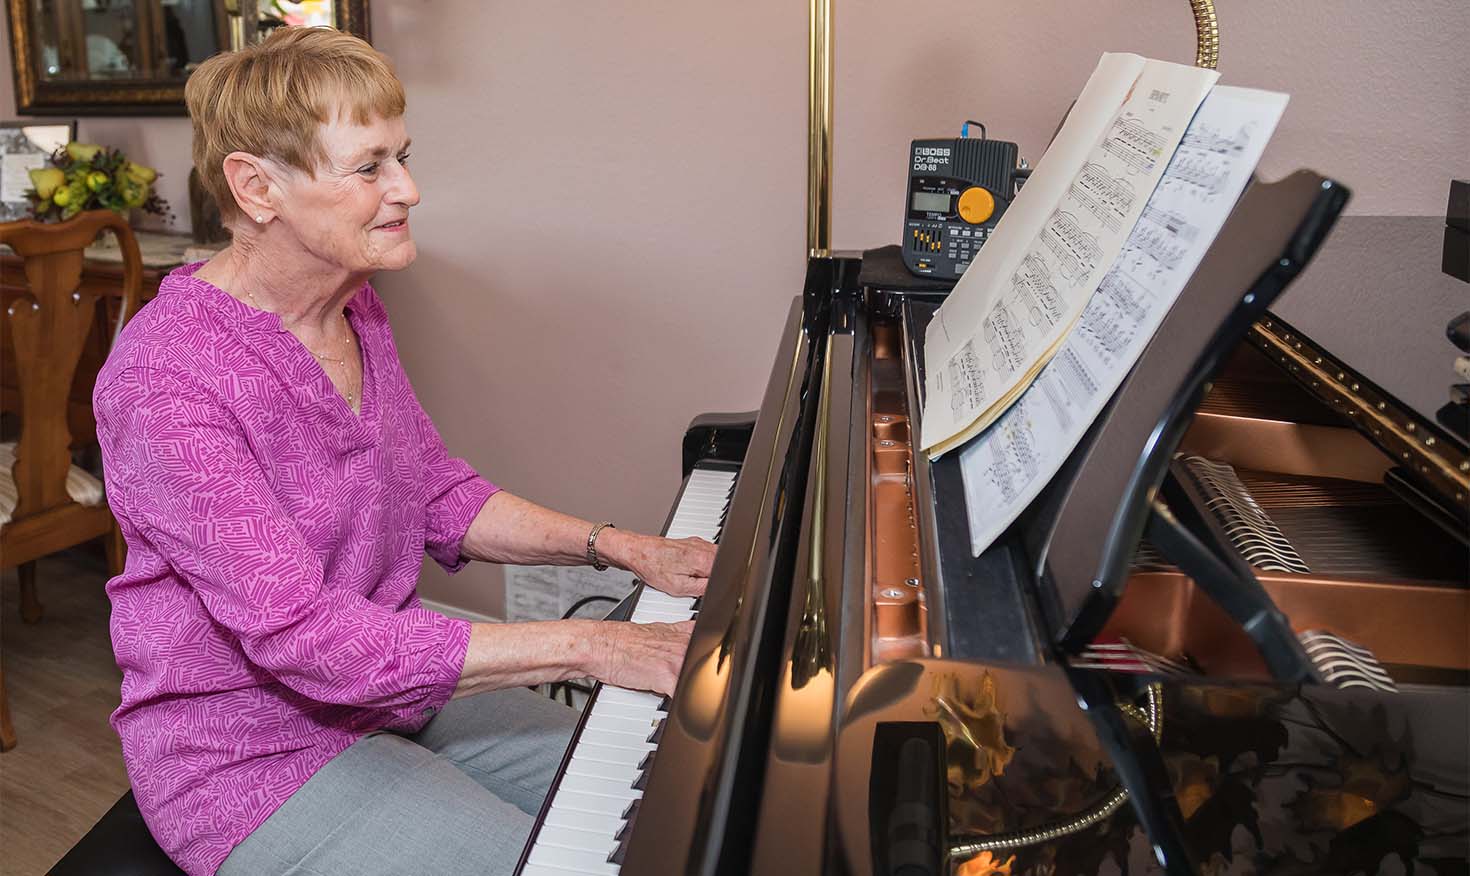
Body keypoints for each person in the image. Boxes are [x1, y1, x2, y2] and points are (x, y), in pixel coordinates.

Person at [93, 27, 713, 876]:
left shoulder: (354, 306)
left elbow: (434, 491)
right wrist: (590, 646)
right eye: (370, 166)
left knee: (667, 787)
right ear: (256, 186)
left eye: (404, 156)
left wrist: (625, 548)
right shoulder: (169, 379)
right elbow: (303, 637)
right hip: (250, 756)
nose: (409, 189)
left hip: (389, 687)